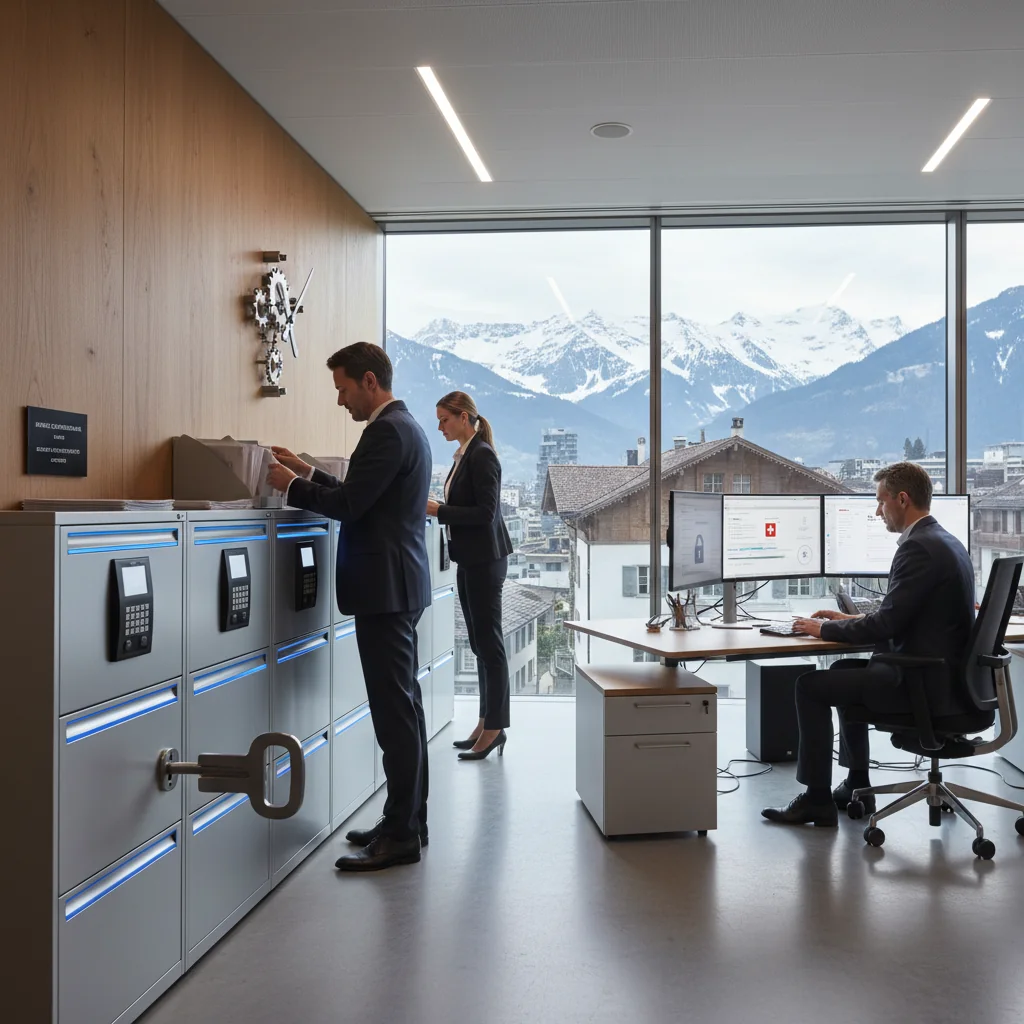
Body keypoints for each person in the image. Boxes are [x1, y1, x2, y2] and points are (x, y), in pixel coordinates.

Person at [267, 342, 432, 870]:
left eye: (342, 389)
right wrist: (308, 472)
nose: (340, 401)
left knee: (394, 716)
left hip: (385, 592)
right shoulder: (405, 428)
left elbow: (351, 505)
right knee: (404, 710)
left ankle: (402, 835)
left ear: (368, 380)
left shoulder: (386, 431)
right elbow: (364, 493)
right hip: (396, 587)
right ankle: (407, 821)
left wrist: (289, 485)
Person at [762, 461, 975, 826]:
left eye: (881, 502)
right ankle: (856, 782)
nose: (878, 512)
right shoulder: (945, 541)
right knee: (845, 673)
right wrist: (845, 620)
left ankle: (816, 800)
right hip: (943, 678)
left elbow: (886, 625)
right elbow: (901, 615)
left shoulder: (918, 549)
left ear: (902, 499)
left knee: (810, 687)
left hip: (921, 685)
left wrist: (822, 631)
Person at [428, 391, 513, 760]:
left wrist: (438, 510)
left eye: (444, 420)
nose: (440, 427)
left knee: (489, 645)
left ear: (464, 418)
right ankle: (485, 722)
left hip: (485, 559)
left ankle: (495, 727)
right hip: (471, 558)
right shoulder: (466, 454)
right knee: (480, 645)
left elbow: (485, 513)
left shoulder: (482, 456)